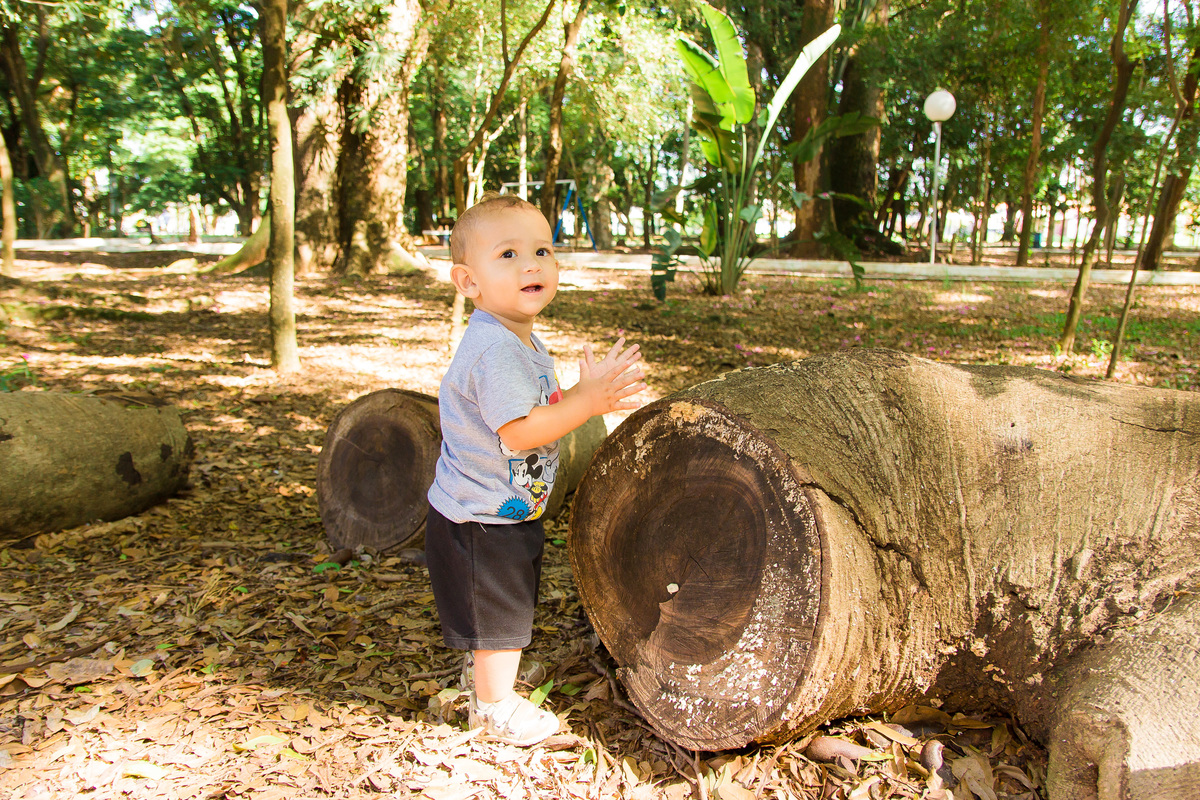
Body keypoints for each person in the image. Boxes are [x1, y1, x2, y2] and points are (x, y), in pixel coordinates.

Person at [425, 193, 646, 746]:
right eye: (508, 254)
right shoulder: (495, 350)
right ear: (468, 282)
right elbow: (520, 431)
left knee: (502, 608)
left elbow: (535, 409)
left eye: (542, 250)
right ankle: (493, 706)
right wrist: (587, 403)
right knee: (500, 613)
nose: (531, 264)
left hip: (502, 506)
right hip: (480, 517)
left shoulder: (517, 335)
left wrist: (579, 392)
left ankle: (486, 676)